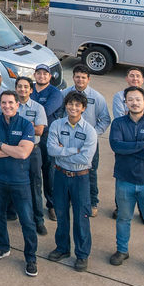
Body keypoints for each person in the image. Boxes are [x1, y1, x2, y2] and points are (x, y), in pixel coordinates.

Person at [108, 86, 144, 279]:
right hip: (124, 181)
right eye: (130, 99)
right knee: (123, 219)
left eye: (138, 99)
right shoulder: (118, 124)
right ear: (125, 103)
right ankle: (122, 250)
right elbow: (116, 146)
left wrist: (128, 149)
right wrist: (142, 145)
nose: (134, 102)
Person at [0, 91, 39, 277]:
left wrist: (0, 145)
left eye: (10, 103)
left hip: (19, 181)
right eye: (4, 102)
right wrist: (12, 150)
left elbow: (24, 154)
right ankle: (3, 247)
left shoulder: (26, 125)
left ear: (17, 105)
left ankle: (31, 258)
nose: (7, 106)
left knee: (27, 221)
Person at [46, 91, 98, 272]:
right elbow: (51, 150)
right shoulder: (56, 125)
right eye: (70, 104)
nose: (73, 108)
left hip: (80, 178)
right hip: (60, 176)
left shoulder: (90, 131)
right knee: (61, 214)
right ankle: (62, 248)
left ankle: (82, 255)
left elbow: (85, 159)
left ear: (83, 108)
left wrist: (64, 151)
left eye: (77, 105)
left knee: (81, 217)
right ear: (65, 105)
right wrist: (74, 150)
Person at [63, 64, 111, 217]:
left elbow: (104, 119)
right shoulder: (64, 93)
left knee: (90, 172)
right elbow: (58, 114)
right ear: (73, 78)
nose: (80, 80)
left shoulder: (97, 97)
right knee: (67, 170)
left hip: (88, 143)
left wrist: (93, 135)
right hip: (68, 141)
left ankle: (92, 201)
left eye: (83, 77)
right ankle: (68, 199)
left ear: (88, 79)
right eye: (77, 76)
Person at [111, 67, 144, 219]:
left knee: (143, 178)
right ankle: (121, 207)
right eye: (131, 76)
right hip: (133, 143)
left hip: (139, 144)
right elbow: (119, 118)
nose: (135, 78)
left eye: (138, 76)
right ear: (126, 79)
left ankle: (143, 211)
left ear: (143, 80)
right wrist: (141, 141)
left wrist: (131, 141)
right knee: (124, 177)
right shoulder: (119, 96)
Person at [30, 63, 64, 222]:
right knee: (32, 172)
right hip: (29, 137)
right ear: (34, 75)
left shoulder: (55, 93)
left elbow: (44, 112)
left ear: (50, 76)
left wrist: (26, 119)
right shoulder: (29, 88)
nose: (42, 76)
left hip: (47, 136)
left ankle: (52, 205)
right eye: (39, 73)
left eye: (45, 74)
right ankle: (33, 204)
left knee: (49, 172)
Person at [15, 76, 49, 236]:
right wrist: (29, 127)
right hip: (14, 150)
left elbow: (39, 130)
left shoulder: (38, 107)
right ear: (16, 88)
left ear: (31, 89)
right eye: (19, 86)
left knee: (35, 184)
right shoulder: (10, 106)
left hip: (33, 150)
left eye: (25, 87)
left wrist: (17, 129)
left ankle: (38, 220)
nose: (22, 89)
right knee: (14, 181)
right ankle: (13, 212)